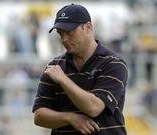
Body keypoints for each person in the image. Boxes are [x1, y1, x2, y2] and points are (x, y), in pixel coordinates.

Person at [32, 4, 128, 135]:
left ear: (88, 27)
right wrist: (70, 118)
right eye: (60, 34)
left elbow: (94, 107)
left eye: (69, 32)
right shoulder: (54, 66)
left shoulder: (113, 62)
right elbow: (39, 116)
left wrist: (63, 80)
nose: (64, 39)